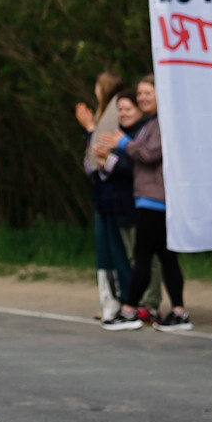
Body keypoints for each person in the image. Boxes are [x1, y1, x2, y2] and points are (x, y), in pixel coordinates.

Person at [103, 77, 187, 329]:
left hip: (155, 200)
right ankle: (179, 312)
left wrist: (124, 144)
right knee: (165, 257)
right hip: (149, 199)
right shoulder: (151, 124)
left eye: (147, 93)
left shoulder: (163, 123)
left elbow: (150, 154)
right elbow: (138, 157)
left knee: (142, 257)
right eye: (139, 94)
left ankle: (130, 310)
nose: (142, 98)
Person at [82, 79, 140, 330]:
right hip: (103, 198)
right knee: (106, 255)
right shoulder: (105, 117)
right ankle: (111, 303)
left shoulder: (130, 131)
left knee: (123, 254)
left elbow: (130, 165)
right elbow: (92, 162)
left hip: (121, 201)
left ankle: (129, 302)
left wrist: (91, 131)